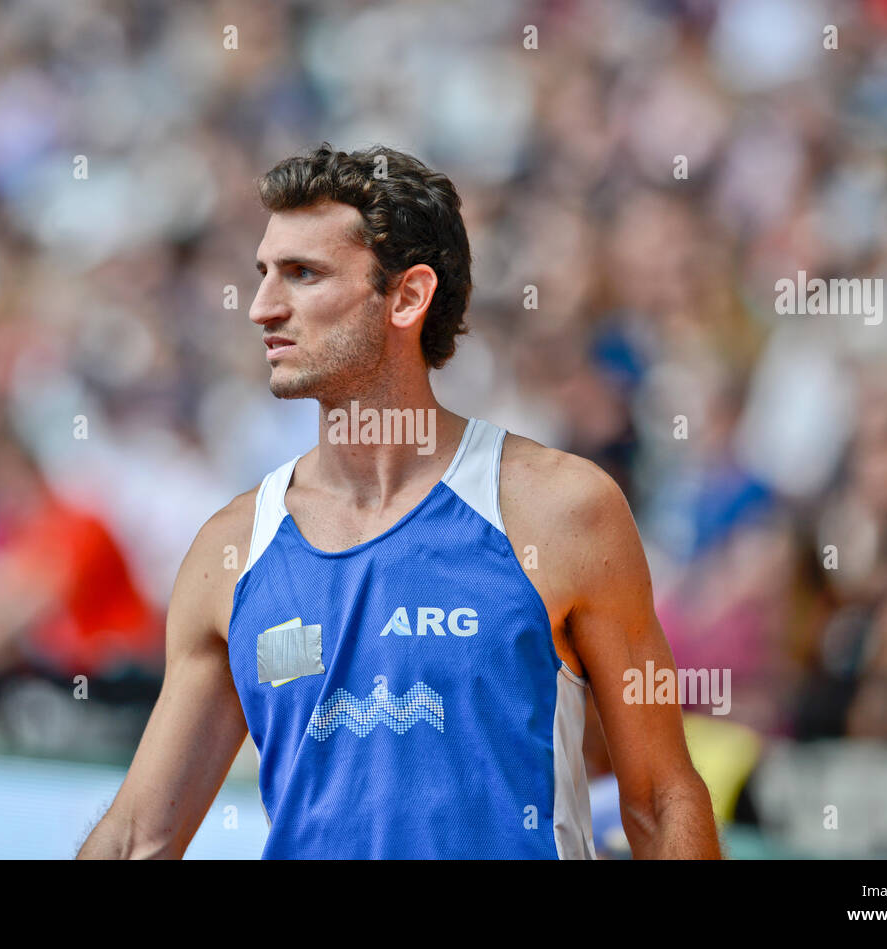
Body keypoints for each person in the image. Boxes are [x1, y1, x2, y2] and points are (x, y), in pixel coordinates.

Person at [79, 144, 720, 859]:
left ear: (409, 296)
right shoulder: (230, 551)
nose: (262, 306)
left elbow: (663, 801)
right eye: (262, 273)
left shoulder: (564, 510)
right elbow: (137, 837)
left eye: (302, 274)